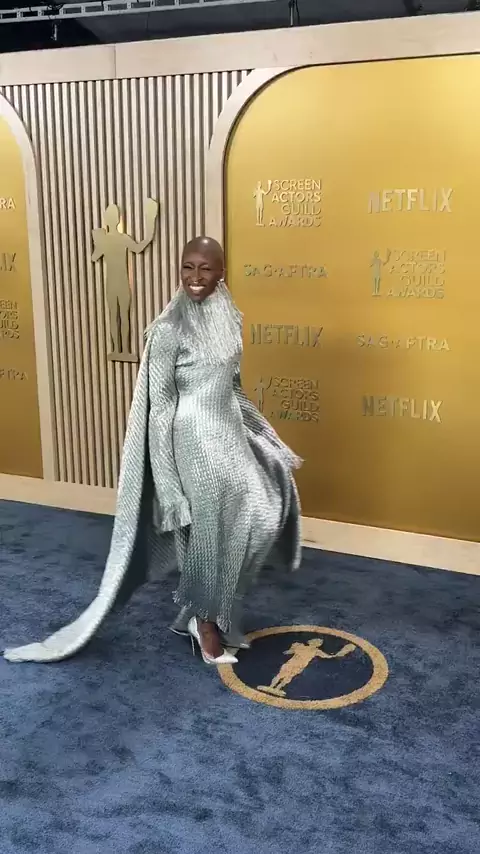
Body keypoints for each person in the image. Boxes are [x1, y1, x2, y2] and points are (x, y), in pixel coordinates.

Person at [3, 237, 302, 666]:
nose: (195, 277)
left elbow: (232, 387)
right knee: (208, 531)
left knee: (258, 517)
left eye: (205, 268)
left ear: (221, 273)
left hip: (229, 433)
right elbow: (159, 409)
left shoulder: (231, 318)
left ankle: (200, 612)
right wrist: (169, 487)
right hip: (192, 440)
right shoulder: (167, 331)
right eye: (187, 267)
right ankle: (205, 624)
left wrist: (265, 435)